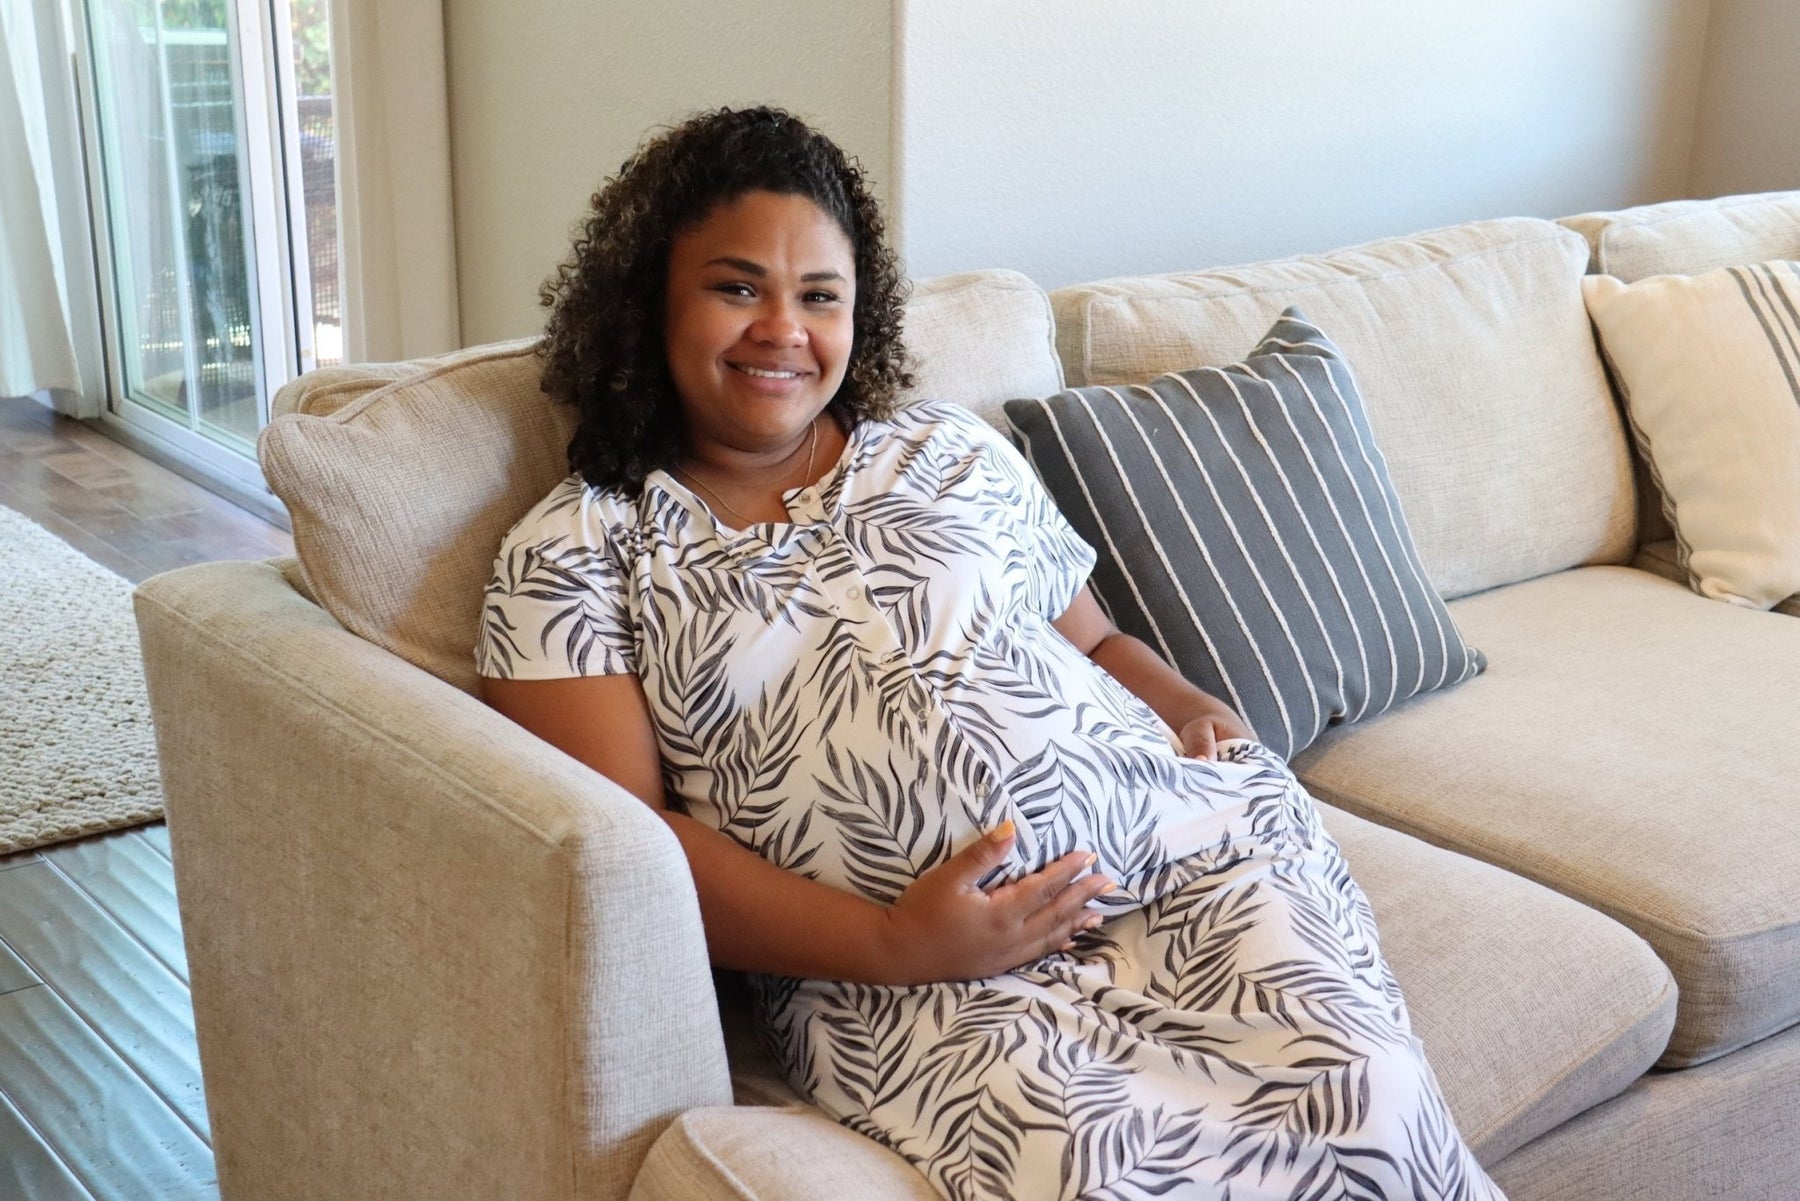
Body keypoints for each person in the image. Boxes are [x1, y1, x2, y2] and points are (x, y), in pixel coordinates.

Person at [477, 106, 1504, 1201]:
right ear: (650, 300)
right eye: (738, 288)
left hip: (1179, 852)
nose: (783, 329)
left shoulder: (944, 447)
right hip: (920, 983)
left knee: (1375, 1107)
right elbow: (635, 857)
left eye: (820, 295)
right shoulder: (577, 549)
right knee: (1114, 1174)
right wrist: (895, 942)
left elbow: (1094, 636)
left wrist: (1191, 704)